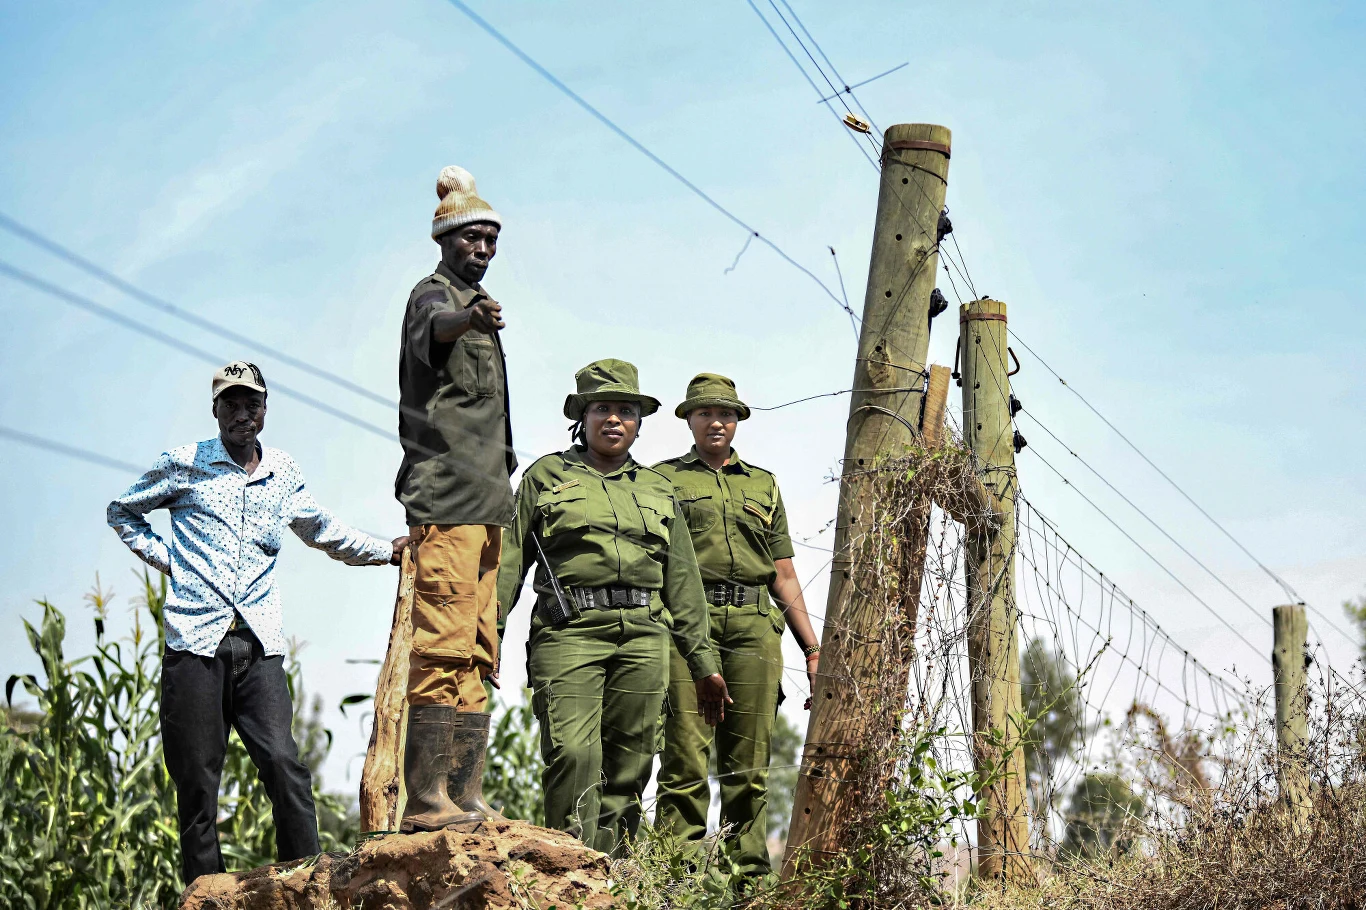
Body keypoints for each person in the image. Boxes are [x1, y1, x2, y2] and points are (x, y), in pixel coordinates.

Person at [107, 361, 406, 885]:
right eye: (231, 403)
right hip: (195, 647)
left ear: (265, 410)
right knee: (198, 783)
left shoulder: (281, 472)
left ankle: (307, 879)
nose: (241, 414)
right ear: (215, 409)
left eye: (252, 404)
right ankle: (207, 891)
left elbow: (322, 530)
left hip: (259, 647)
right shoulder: (184, 463)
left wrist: (387, 552)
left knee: (284, 765)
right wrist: (172, 560)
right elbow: (122, 513)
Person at [496, 359, 729, 853]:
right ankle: (569, 869)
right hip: (569, 632)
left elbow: (682, 583)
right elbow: (508, 561)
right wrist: (488, 634)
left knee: (632, 761)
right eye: (602, 408)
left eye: (626, 410)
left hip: (645, 635)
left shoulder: (658, 489)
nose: (614, 419)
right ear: (582, 416)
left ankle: (615, 876)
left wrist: (703, 663)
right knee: (573, 753)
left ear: (640, 422)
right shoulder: (546, 476)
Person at [653, 372, 822, 880]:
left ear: (738, 421)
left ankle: (746, 883)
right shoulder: (661, 480)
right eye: (705, 413)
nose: (716, 422)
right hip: (687, 625)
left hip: (754, 626)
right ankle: (673, 884)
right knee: (684, 762)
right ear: (688, 418)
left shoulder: (763, 484)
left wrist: (813, 649)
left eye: (725, 414)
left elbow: (784, 572)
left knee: (748, 770)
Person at [394, 166, 517, 831]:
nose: (483, 249)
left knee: (476, 651)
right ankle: (426, 800)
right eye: (472, 237)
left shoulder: (476, 303)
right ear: (445, 240)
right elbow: (438, 327)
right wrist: (468, 317)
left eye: (491, 239)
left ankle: (464, 795)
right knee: (441, 644)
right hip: (446, 500)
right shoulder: (434, 298)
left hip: (488, 501)